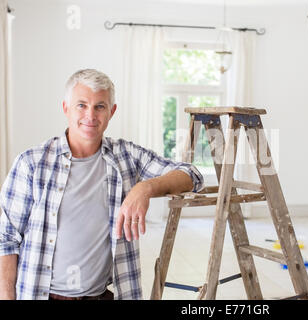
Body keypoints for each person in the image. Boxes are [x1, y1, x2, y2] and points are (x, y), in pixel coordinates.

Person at [0, 69, 204, 300]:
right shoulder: (32, 163)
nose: (90, 115)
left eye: (100, 106)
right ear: (66, 108)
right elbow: (6, 238)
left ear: (111, 112)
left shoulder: (126, 156)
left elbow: (192, 175)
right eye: (81, 105)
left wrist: (144, 188)